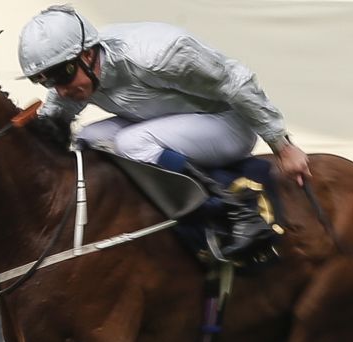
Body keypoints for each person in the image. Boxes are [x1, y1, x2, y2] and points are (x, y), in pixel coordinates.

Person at [18, 5, 310, 258]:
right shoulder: (75, 75)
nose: (60, 88)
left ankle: (237, 211)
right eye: (47, 81)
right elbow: (50, 127)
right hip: (167, 123)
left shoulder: (158, 54)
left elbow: (237, 81)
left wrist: (282, 146)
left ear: (88, 54)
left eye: (63, 75)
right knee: (87, 140)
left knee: (132, 142)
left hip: (228, 124)